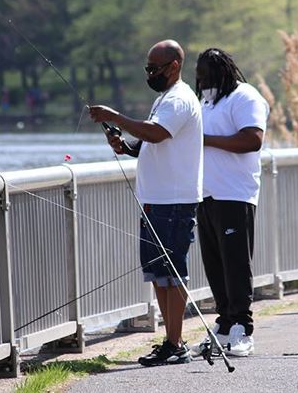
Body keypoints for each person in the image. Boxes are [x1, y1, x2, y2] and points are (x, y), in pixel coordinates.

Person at [88, 39, 203, 366]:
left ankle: (176, 343)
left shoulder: (179, 99)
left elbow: (156, 133)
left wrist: (115, 116)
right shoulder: (165, 99)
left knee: (172, 272)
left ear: (174, 66)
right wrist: (124, 146)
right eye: (147, 68)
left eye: (155, 69)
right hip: (155, 201)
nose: (150, 74)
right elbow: (149, 142)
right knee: (158, 273)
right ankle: (171, 341)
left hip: (174, 202)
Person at [189, 48, 269, 358]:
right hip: (206, 195)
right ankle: (224, 324)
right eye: (200, 77)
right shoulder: (206, 103)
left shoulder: (245, 97)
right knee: (215, 265)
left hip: (235, 195)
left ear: (224, 72)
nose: (203, 82)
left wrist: (205, 140)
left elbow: (252, 139)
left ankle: (242, 329)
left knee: (236, 265)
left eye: (208, 76)